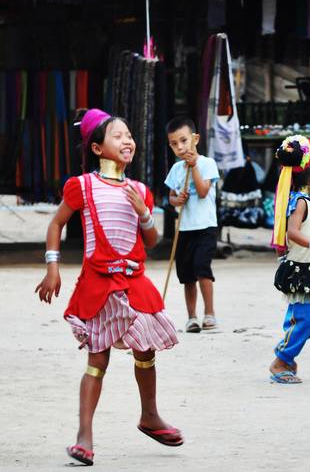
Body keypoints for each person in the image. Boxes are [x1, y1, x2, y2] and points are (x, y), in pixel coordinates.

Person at [34, 109, 183, 467]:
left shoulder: (140, 191)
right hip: (99, 283)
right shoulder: (82, 186)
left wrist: (144, 213)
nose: (127, 140)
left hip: (133, 282)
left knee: (146, 351)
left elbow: (151, 240)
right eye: (117, 136)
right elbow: (56, 223)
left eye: (129, 135)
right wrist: (52, 267)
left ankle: (150, 416)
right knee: (97, 359)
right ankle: (84, 437)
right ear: (98, 149)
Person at [268, 135, 310, 384]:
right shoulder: (299, 203)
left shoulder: (305, 201)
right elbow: (292, 233)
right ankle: (281, 359)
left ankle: (288, 351)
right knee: (306, 319)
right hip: (299, 270)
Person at [165, 117, 220, 332]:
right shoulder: (176, 170)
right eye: (174, 144)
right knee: (187, 274)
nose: (180, 147)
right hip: (184, 229)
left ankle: (210, 313)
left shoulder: (207, 163)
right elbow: (171, 197)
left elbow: (204, 191)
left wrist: (194, 166)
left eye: (183, 141)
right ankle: (192, 317)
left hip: (205, 227)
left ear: (195, 139)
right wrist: (177, 200)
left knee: (202, 269)